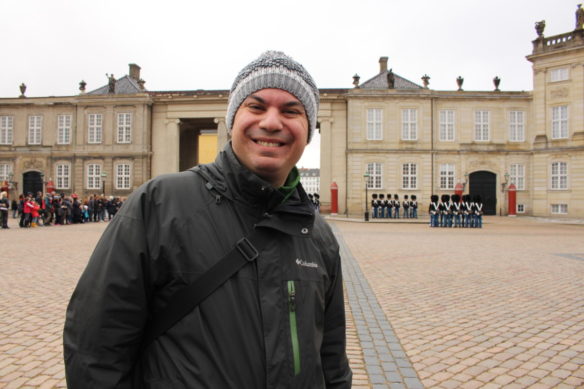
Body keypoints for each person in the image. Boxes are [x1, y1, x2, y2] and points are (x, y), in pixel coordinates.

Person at [64, 50, 352, 389]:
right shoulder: (159, 205)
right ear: (232, 121)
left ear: (308, 130)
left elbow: (331, 360)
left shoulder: (318, 236)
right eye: (256, 106)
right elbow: (96, 347)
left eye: (292, 111)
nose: (272, 122)